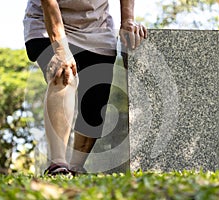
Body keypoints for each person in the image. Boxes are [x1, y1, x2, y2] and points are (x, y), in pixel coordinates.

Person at [23, 0, 147, 176]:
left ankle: (75, 167)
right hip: (47, 23)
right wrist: (60, 49)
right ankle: (58, 164)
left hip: (96, 28)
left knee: (96, 99)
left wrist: (127, 20)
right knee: (64, 73)